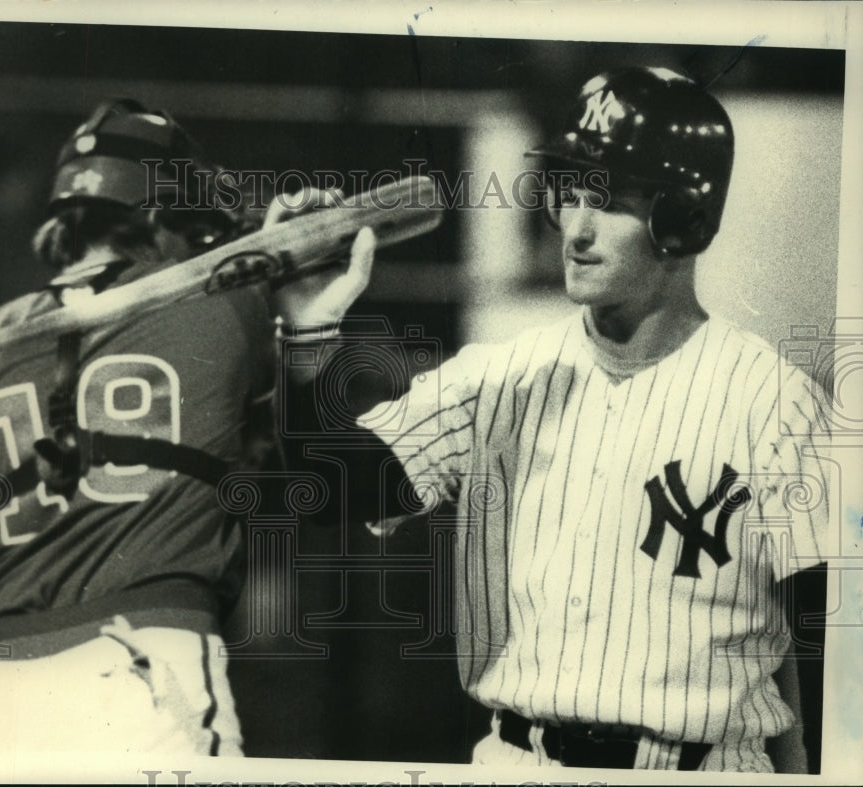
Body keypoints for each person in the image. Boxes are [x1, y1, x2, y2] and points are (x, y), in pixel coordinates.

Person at [275, 67, 830, 773]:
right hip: (518, 757)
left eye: (611, 200)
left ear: (686, 217)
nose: (578, 227)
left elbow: (817, 648)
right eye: (570, 192)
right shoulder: (498, 376)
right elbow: (336, 489)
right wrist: (305, 335)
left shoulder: (776, 403)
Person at [0, 98, 282, 754]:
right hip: (146, 668)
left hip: (2, 695)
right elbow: (345, 467)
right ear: (159, 213)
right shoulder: (232, 311)